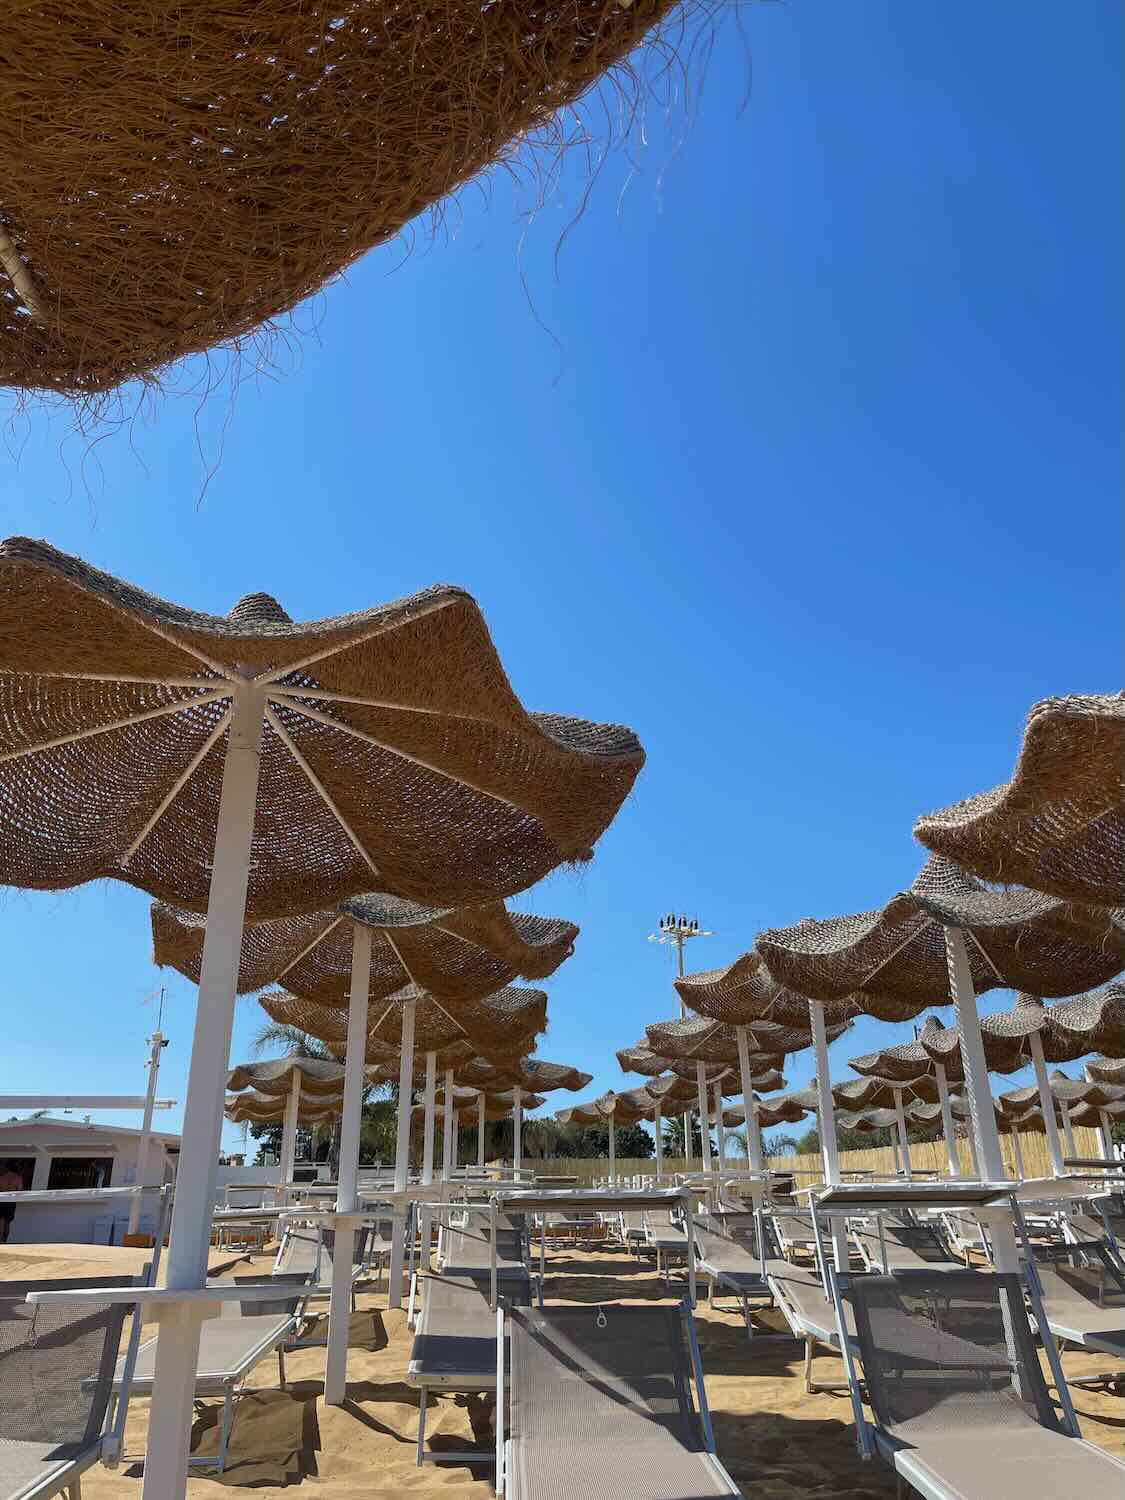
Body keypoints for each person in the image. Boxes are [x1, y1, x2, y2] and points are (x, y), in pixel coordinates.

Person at [0, 1161, 24, 1244]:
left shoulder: (1, 1177)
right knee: (7, 1223)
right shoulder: (18, 1178)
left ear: (7, 1168)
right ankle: (4, 1241)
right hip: (11, 1202)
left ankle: (0, 1241)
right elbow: (19, 1191)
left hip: (2, 1200)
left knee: (1, 1221)